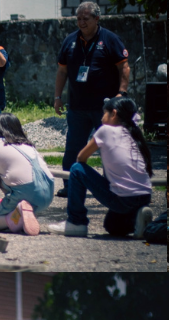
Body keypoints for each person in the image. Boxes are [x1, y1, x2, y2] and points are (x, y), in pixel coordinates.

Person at [54, 1, 132, 198]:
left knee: (109, 148)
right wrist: (57, 97)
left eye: (86, 19)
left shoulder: (110, 39)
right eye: (78, 18)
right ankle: (70, 185)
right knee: (73, 148)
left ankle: (112, 186)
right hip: (77, 107)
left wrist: (121, 94)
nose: (81, 22)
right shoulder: (70, 41)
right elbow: (62, 71)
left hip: (105, 109)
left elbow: (124, 67)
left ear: (97, 19)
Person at [47, 96, 153, 238]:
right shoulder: (134, 133)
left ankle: (76, 222)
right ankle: (137, 221)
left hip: (123, 200)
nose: (102, 118)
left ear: (113, 114)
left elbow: (81, 158)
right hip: (144, 197)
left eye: (104, 113)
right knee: (112, 226)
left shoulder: (105, 131)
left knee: (77, 169)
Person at [0, 113, 53, 236]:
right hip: (48, 193)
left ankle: (18, 213)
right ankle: (22, 214)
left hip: (26, 193)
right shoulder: (28, 145)